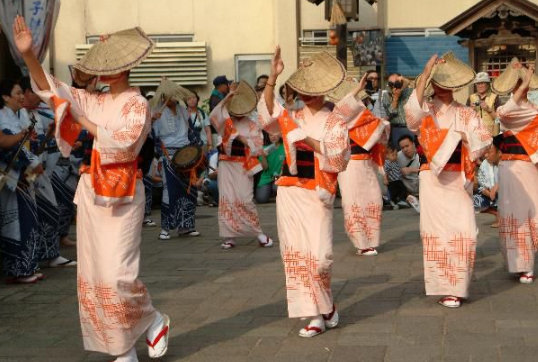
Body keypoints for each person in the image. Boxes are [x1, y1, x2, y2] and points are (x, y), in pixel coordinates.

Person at [14, 17, 170, 362]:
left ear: (127, 68)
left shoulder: (137, 104)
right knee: (95, 273)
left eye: (115, 67)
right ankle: (122, 348)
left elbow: (125, 144)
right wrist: (29, 56)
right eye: (104, 67)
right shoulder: (93, 99)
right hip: (91, 190)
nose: (108, 72)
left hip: (125, 191)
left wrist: (81, 119)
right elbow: (53, 90)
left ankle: (152, 317)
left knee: (119, 275)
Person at [258, 47, 365, 338]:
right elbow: (269, 116)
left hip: (317, 192)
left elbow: (339, 158)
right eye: (301, 89)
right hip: (290, 190)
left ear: (324, 91)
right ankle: (314, 314)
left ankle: (326, 304)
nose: (306, 94)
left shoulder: (335, 121)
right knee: (296, 254)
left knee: (320, 257)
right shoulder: (293, 115)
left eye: (311, 89)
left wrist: (306, 139)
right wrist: (273, 77)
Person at [404, 52, 492, 308]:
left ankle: (458, 285)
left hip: (457, 178)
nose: (440, 86)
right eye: (435, 81)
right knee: (435, 232)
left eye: (445, 82)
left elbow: (483, 139)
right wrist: (426, 71)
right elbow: (411, 115)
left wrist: (463, 139)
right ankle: (445, 286)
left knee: (466, 231)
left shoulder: (466, 113)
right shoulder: (426, 111)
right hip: (431, 178)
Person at [19, 76, 77, 267]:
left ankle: (50, 254)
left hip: (39, 169)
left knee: (49, 208)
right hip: (26, 171)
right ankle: (39, 257)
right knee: (37, 210)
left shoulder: (36, 113)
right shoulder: (18, 114)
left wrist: (52, 134)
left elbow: (41, 145)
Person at [209, 80, 273, 249]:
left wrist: (243, 140)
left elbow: (258, 148)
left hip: (244, 166)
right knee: (227, 200)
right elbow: (213, 116)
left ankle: (258, 233)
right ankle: (230, 236)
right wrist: (228, 96)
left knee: (245, 199)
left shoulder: (252, 124)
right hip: (226, 165)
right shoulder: (226, 121)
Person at [493, 58, 538, 284]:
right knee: (515, 216)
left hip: (530, 168)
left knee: (534, 214)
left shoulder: (533, 110)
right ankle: (522, 264)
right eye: (519, 84)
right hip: (511, 167)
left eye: (524, 83)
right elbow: (502, 114)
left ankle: (526, 262)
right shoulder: (510, 108)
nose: (522, 86)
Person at [334, 79, 390, 257]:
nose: (361, 102)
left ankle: (371, 241)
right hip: (349, 165)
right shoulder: (338, 118)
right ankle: (361, 243)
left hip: (366, 164)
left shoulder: (367, 118)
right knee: (353, 203)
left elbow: (382, 132)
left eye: (362, 99)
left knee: (374, 200)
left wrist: (382, 125)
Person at [0, 79, 42, 284]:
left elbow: (23, 145)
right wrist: (23, 135)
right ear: (5, 96)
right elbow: (4, 143)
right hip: (10, 176)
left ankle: (28, 265)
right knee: (16, 222)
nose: (21, 96)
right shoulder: (1, 116)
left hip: (22, 173)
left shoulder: (17, 116)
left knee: (28, 220)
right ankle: (19, 269)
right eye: (17, 93)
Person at [152, 96, 200, 239]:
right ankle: (165, 228)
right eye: (168, 94)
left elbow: (192, 133)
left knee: (189, 189)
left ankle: (185, 226)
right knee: (169, 190)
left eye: (173, 94)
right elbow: (153, 136)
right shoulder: (157, 111)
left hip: (186, 153)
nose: (171, 97)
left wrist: (195, 152)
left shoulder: (183, 111)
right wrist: (152, 120)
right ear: (163, 95)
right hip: (168, 153)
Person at [473, 135, 501, 227]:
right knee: (472, 200)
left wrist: (498, 187)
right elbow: (481, 185)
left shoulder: (507, 164)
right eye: (485, 152)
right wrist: (487, 193)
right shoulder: (484, 164)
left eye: (490, 152)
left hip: (505, 197)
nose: (486, 155)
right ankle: (497, 213)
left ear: (499, 152)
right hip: (491, 196)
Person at [382, 73, 414, 148]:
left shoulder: (408, 92)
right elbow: (390, 113)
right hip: (396, 129)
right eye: (391, 84)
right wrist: (395, 98)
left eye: (396, 83)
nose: (394, 86)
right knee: (397, 154)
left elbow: (418, 87)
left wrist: (404, 80)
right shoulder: (386, 96)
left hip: (410, 128)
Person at [467, 72, 500, 136]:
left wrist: (489, 110)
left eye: (482, 83)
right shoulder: (471, 98)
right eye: (478, 83)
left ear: (488, 84)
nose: (480, 86)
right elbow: (466, 120)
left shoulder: (495, 98)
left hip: (492, 135)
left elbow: (499, 120)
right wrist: (471, 111)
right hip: (476, 135)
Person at [255, 133, 284, 204]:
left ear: (280, 135)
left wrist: (280, 175)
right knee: (261, 199)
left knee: (276, 188)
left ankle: (273, 192)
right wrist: (263, 157)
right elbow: (265, 168)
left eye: (275, 134)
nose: (273, 137)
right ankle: (269, 192)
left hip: (278, 177)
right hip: (267, 177)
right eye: (270, 135)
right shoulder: (265, 148)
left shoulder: (284, 147)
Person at [397, 134, 420, 211]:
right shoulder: (398, 156)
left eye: (407, 146)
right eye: (402, 148)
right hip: (408, 187)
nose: (405, 150)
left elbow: (430, 170)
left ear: (413, 144)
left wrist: (411, 170)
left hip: (420, 183)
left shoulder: (421, 153)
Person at [384, 144, 407, 210]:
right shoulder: (387, 162)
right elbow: (385, 171)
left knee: (403, 189)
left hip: (398, 180)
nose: (395, 156)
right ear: (387, 156)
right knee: (393, 192)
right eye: (393, 155)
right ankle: (394, 202)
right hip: (392, 181)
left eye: (396, 155)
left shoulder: (395, 162)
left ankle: (400, 200)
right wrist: (385, 179)